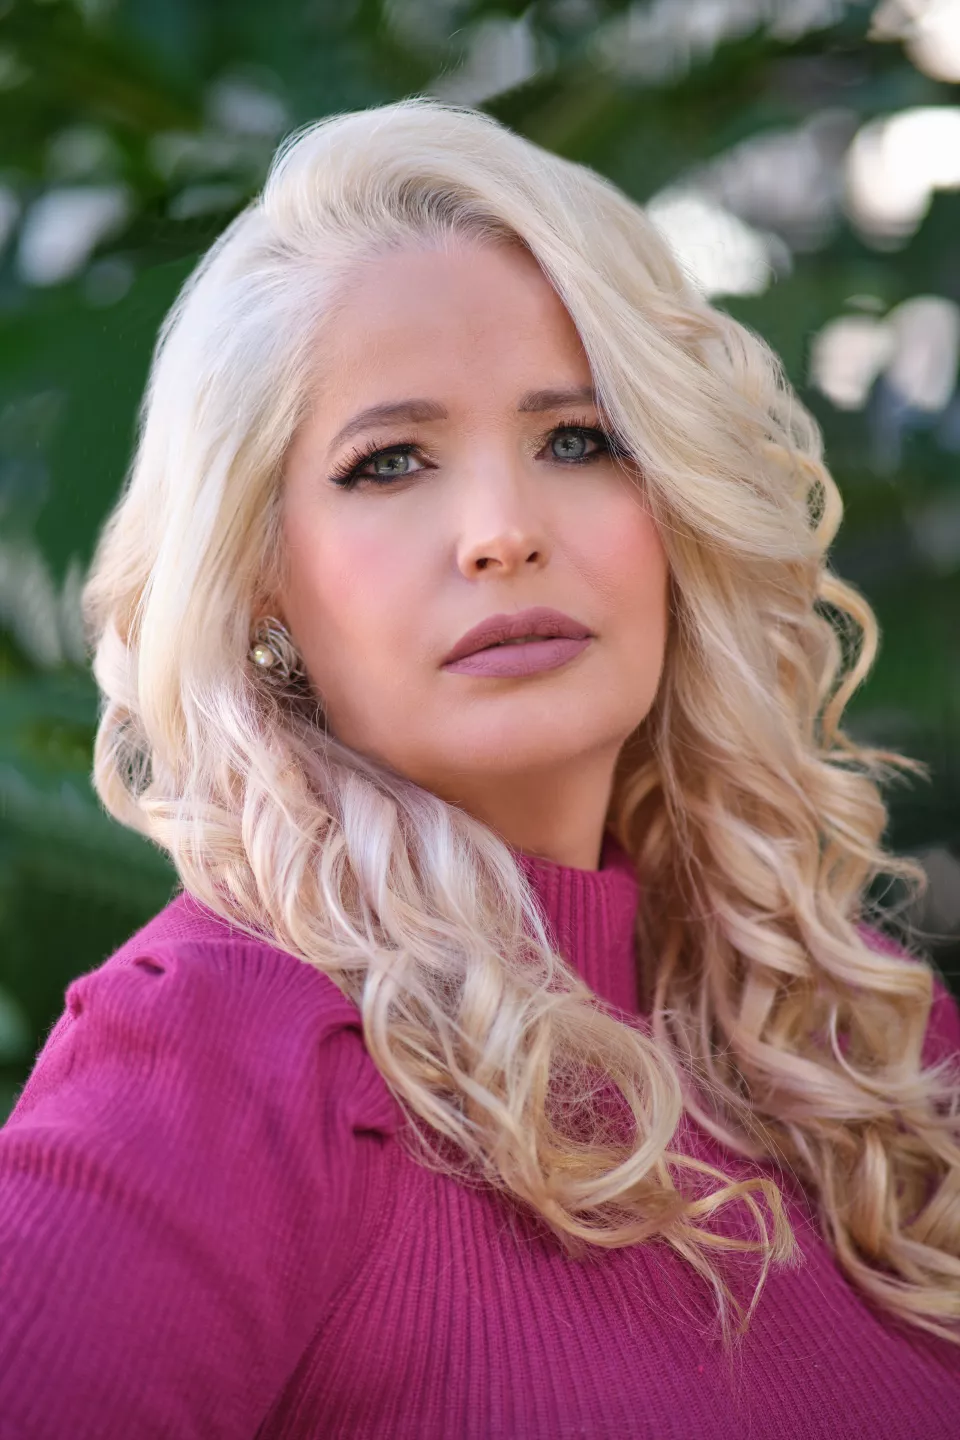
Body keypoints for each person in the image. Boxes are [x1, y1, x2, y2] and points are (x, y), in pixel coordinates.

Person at [0, 96, 958, 1440]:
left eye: (579, 439)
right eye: (389, 462)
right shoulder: (220, 1050)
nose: (503, 531)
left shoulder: (853, 1035)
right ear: (262, 583)